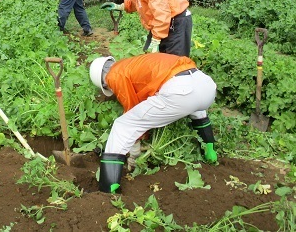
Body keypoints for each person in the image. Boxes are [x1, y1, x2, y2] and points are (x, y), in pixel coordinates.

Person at [89, 53, 218, 193]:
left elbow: (131, 108)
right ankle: (210, 153)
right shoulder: (131, 63)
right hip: (206, 86)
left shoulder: (113, 75)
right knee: (196, 109)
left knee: (123, 125)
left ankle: (108, 187)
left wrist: (134, 151)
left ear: (103, 82)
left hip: (181, 91)